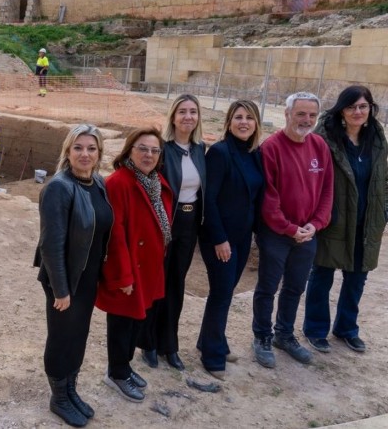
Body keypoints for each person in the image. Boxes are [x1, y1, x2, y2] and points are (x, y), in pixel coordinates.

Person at [303, 86, 388, 354]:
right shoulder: (325, 138)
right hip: (334, 220)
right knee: (322, 275)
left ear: (370, 109)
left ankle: (346, 329)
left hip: (367, 221)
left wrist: (386, 206)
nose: (358, 112)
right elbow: (313, 178)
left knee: (357, 278)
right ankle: (315, 330)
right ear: (342, 109)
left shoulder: (376, 137)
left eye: (363, 106)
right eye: (352, 106)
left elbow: (383, 177)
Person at [35, 124, 111, 427]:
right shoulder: (59, 187)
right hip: (63, 279)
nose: (85, 153)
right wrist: (61, 290)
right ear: (68, 151)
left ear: (99, 153)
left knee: (79, 335)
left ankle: (71, 389)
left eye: (91, 148)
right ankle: (59, 397)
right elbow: (51, 244)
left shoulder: (99, 183)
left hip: (88, 276)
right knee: (61, 337)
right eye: (78, 147)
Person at [252, 92, 334, 369]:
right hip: (276, 234)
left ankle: (284, 335)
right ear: (287, 114)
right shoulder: (271, 147)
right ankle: (262, 336)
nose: (307, 120)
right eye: (301, 114)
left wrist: (316, 224)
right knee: (268, 287)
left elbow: (327, 191)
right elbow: (269, 198)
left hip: (308, 233)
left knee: (296, 287)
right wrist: (289, 228)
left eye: (312, 115)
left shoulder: (320, 146)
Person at [96, 127, 173, 403]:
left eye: (154, 150)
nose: (148, 154)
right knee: (121, 323)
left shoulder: (153, 180)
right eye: (142, 148)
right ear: (129, 150)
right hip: (127, 269)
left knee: (136, 321)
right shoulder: (119, 183)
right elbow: (115, 234)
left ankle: (124, 368)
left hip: (148, 266)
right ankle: (116, 372)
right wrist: (123, 276)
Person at [196, 100, 264, 380]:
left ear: (256, 123)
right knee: (222, 294)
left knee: (225, 292)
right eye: (238, 117)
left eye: (249, 117)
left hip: (242, 237)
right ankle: (212, 356)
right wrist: (220, 239)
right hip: (219, 238)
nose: (244, 122)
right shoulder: (220, 153)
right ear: (229, 121)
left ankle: (210, 341)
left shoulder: (254, 153)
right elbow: (208, 199)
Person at [138, 93, 205, 372]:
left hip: (189, 226)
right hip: (164, 225)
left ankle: (170, 345)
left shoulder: (201, 150)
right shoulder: (162, 150)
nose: (188, 117)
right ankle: (148, 343)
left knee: (177, 285)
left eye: (193, 111)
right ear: (173, 117)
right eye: (182, 112)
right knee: (157, 283)